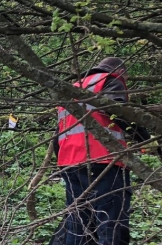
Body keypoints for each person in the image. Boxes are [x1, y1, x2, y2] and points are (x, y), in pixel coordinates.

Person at [53, 57, 148, 245]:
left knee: (78, 225)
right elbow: (117, 111)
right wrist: (144, 139)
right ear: (120, 72)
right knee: (111, 222)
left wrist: (63, 164)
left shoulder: (71, 89)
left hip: (70, 164)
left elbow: (59, 135)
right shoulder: (110, 80)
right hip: (104, 162)